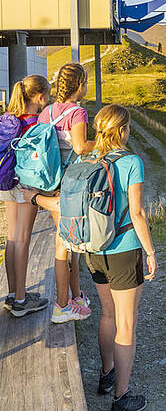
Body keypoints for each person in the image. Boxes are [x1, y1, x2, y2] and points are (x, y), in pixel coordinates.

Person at [86, 104, 156, 411]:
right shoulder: (131, 161)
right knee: (127, 323)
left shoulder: (86, 157)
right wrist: (150, 252)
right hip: (124, 250)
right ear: (123, 130)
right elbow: (138, 213)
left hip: (93, 250)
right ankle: (122, 397)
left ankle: (106, 375)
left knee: (108, 314)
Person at [27, 63, 95, 322]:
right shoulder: (78, 113)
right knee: (64, 246)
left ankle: (76, 296)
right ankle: (62, 305)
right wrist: (100, 143)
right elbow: (79, 147)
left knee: (72, 245)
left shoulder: (47, 111)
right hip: (68, 187)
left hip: (48, 182)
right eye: (85, 82)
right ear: (79, 85)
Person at [0, 75, 50, 317]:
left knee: (12, 237)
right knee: (22, 239)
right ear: (40, 97)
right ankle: (21, 300)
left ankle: (12, 293)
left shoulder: (11, 120)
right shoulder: (33, 125)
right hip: (26, 186)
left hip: (6, 181)